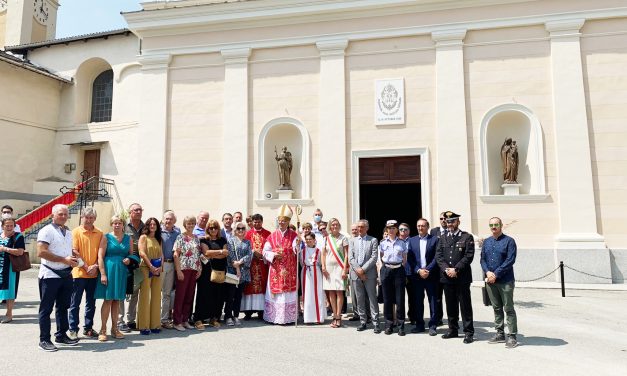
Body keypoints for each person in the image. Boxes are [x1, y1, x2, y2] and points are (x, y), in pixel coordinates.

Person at [36, 204, 79, 352]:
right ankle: (44, 340)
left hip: (66, 274)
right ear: (53, 215)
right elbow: (41, 252)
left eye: (65, 214)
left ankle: (61, 335)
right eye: (60, 214)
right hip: (50, 275)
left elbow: (64, 248)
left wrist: (73, 254)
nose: (63, 216)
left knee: (63, 307)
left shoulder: (68, 232)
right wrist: (64, 260)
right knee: (46, 309)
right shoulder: (46, 230)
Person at [435, 211, 475, 344]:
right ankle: (453, 330)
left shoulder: (466, 237)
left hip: (462, 277)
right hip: (447, 276)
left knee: (465, 305)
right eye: (448, 222)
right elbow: (439, 256)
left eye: (452, 221)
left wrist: (456, 269)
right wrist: (447, 269)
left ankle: (468, 332)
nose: (450, 224)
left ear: (458, 222)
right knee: (450, 305)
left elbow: (468, 256)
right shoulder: (442, 237)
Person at [481, 217, 518, 348]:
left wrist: (496, 274)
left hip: (505, 280)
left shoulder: (509, 241)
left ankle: (512, 335)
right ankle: (500, 333)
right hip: (491, 281)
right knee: (496, 308)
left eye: (496, 224)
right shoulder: (486, 242)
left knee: (508, 308)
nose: (494, 227)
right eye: (491, 225)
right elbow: (482, 260)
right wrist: (487, 272)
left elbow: (510, 260)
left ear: (501, 225)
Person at [95, 215, 131, 342]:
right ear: (112, 224)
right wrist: (103, 273)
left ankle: (115, 329)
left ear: (123, 225)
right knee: (108, 300)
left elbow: (131, 255)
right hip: (109, 270)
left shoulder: (128, 238)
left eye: (119, 223)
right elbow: (100, 256)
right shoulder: (106, 237)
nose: (117, 225)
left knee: (117, 300)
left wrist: (129, 260)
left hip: (121, 271)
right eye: (114, 223)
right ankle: (103, 329)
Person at [68, 207, 103, 339]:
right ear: (82, 217)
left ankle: (88, 328)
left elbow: (101, 252)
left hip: (93, 273)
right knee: (74, 303)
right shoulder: (75, 232)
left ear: (95, 218)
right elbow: (74, 251)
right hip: (78, 273)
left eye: (91, 218)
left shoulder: (99, 233)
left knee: (91, 303)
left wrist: (95, 266)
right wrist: (87, 267)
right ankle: (73, 329)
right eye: (86, 217)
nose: (88, 220)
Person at [262, 205, 298, 324]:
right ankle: (274, 317)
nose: (281, 223)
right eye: (280, 221)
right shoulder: (272, 236)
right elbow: (265, 251)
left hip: (289, 269)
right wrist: (273, 255)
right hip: (276, 269)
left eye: (284, 221)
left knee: (288, 293)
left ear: (288, 222)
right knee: (277, 293)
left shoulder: (294, 235)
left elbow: (296, 249)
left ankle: (289, 317)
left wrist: (297, 245)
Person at [407, 218, 439, 336]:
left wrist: (428, 270)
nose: (420, 228)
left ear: (427, 227)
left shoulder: (435, 240)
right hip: (417, 276)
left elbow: (437, 257)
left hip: (431, 276)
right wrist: (419, 270)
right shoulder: (412, 240)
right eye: (418, 226)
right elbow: (410, 258)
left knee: (433, 301)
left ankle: (433, 326)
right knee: (418, 301)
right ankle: (419, 325)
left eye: (423, 226)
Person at [349, 219, 381, 334]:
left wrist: (363, 270)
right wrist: (358, 270)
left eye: (362, 227)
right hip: (356, 274)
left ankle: (376, 322)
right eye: (358, 227)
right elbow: (350, 258)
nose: (359, 229)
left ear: (367, 228)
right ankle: (363, 321)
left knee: (372, 299)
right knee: (360, 299)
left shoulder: (373, 240)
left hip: (369, 274)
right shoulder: (352, 241)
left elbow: (374, 257)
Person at [195, 219, 228, 328]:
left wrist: (213, 254)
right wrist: (219, 252)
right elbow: (206, 252)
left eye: (215, 228)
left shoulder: (223, 240)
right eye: (211, 228)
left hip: (219, 270)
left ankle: (214, 318)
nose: (213, 230)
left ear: (218, 229)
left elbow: (225, 254)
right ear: (207, 229)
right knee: (203, 294)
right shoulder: (204, 240)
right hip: (206, 271)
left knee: (218, 295)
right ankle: (199, 318)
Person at [172, 216, 202, 331]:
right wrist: (178, 271)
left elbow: (198, 255)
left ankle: (185, 320)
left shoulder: (196, 238)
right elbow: (176, 255)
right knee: (180, 296)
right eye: (189, 223)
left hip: (194, 269)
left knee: (190, 296)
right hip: (183, 269)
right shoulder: (180, 237)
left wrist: (199, 269)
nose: (191, 225)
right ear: (185, 224)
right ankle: (177, 321)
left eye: (193, 223)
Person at [379, 220, 408, 336]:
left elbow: (404, 258)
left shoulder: (402, 243)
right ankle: (389, 325)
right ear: (386, 229)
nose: (391, 230)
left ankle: (401, 325)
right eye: (389, 228)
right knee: (387, 299)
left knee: (400, 299)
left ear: (396, 229)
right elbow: (381, 257)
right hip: (386, 269)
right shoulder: (382, 243)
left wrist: (399, 266)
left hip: (399, 270)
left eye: (393, 228)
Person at [119, 202, 144, 333]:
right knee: (122, 292)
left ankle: (131, 320)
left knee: (135, 293)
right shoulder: (124, 227)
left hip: (140, 264)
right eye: (135, 210)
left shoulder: (145, 227)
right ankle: (120, 320)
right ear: (130, 213)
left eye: (140, 210)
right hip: (125, 263)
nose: (138, 212)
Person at [137, 217, 163, 335]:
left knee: (157, 296)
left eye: (154, 224)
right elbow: (141, 253)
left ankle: (155, 324)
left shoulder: (158, 239)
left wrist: (160, 267)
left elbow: (161, 254)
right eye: (150, 224)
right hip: (145, 268)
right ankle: (144, 326)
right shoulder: (143, 237)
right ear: (147, 226)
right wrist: (151, 266)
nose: (153, 226)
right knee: (145, 296)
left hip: (157, 269)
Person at [242, 213, 271, 320]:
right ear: (252, 222)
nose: (257, 223)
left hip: (262, 265)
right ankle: (248, 311)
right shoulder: (247, 234)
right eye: (255, 221)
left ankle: (261, 311)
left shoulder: (268, 234)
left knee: (261, 286)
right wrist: (252, 252)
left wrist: (262, 255)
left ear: (262, 222)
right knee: (249, 286)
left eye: (259, 221)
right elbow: (244, 248)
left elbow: (271, 249)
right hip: (250, 265)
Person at [321, 218, 349, 328]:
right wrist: (323, 267)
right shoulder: (326, 239)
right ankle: (334, 314)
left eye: (336, 224)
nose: (334, 226)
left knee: (339, 292)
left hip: (339, 267)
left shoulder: (344, 238)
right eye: (332, 225)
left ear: (339, 225)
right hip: (328, 268)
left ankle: (338, 317)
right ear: (329, 226)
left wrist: (345, 269)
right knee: (331, 292)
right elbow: (323, 254)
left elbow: (346, 254)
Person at [224, 222, 252, 326]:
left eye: (243, 228)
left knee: (239, 295)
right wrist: (235, 266)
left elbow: (250, 255)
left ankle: (236, 315)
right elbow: (229, 255)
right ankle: (228, 316)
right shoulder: (231, 241)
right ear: (235, 230)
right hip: (232, 271)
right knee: (230, 295)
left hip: (243, 272)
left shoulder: (248, 242)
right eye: (238, 228)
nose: (241, 230)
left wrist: (240, 262)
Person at [0, 217, 25, 323]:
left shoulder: (18, 236)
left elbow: (20, 252)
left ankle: (9, 314)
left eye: (12, 225)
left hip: (11, 267)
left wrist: (5, 249)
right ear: (2, 226)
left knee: (10, 290)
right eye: (7, 225)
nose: (10, 227)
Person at [160, 210, 180, 329]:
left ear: (174, 221)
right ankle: (153, 318)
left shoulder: (177, 232)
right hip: (161, 264)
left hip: (172, 264)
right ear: (163, 220)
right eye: (166, 219)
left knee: (167, 293)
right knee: (157, 292)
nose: (168, 221)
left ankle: (164, 319)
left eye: (171, 219)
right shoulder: (158, 231)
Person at [301, 233, 325, 324]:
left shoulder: (318, 251)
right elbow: (301, 262)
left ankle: (318, 318)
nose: (308, 241)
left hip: (316, 272)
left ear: (314, 240)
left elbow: (320, 262)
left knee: (317, 294)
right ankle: (308, 318)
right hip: (305, 272)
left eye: (310, 239)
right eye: (306, 239)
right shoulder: (302, 251)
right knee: (307, 295)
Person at [429, 212, 447, 327]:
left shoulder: (452, 230)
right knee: (437, 297)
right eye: (441, 218)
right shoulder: (434, 231)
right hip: (437, 270)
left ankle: (453, 319)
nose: (444, 220)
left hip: (449, 268)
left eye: (446, 218)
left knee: (451, 296)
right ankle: (438, 318)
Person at [1, 206, 21, 303]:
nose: (6, 213)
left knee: (11, 286)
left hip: (11, 262)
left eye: (8, 212)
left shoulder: (16, 227)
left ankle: (9, 308)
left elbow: (18, 244)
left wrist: (4, 248)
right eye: (4, 212)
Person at [398, 222, 415, 325]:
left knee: (413, 297)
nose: (403, 231)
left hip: (411, 272)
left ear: (409, 231)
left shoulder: (413, 241)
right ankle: (400, 318)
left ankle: (412, 316)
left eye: (405, 229)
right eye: (401, 229)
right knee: (399, 297)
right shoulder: (395, 241)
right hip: (398, 273)